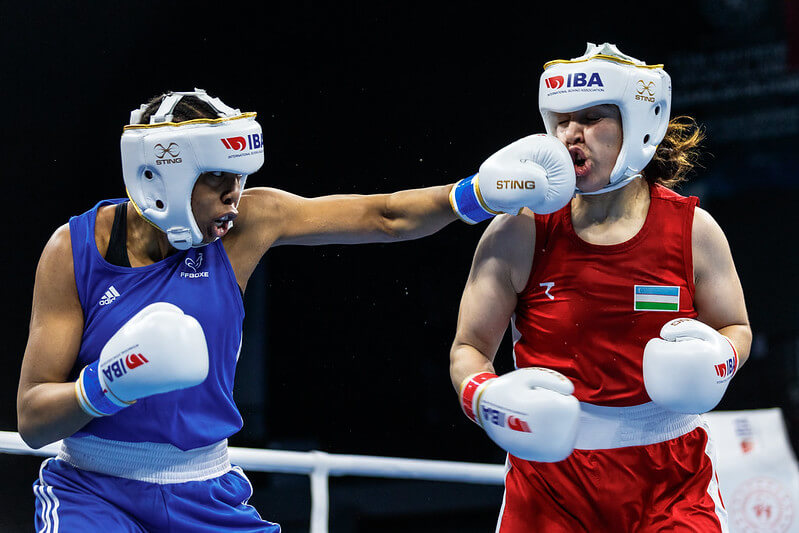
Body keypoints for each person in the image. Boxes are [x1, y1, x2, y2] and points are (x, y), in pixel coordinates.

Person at [17, 88, 576, 531]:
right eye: (218, 182)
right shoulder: (74, 251)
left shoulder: (244, 226)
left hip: (204, 492)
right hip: (93, 489)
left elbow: (383, 216)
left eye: (241, 181)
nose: (235, 197)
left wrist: (475, 194)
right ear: (161, 175)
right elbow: (34, 419)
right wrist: (110, 383)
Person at [450, 43, 751, 531]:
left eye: (591, 117)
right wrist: (483, 398)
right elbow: (468, 348)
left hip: (671, 481)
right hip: (549, 485)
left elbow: (735, 326)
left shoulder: (693, 230)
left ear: (638, 126)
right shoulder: (519, 231)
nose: (571, 134)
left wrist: (721, 358)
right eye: (562, 120)